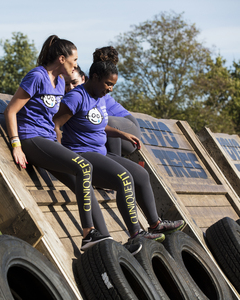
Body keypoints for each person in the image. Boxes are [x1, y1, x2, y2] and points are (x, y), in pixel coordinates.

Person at [4, 35, 124, 252]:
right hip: (31, 138)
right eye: (74, 60)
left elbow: (56, 122)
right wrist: (16, 145)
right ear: (61, 59)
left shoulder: (60, 83)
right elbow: (11, 110)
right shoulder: (37, 76)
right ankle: (88, 234)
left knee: (83, 181)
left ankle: (104, 238)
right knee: (84, 167)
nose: (76, 65)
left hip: (47, 141)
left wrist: (62, 148)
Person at [53, 59, 185, 244]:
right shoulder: (75, 97)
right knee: (124, 177)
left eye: (113, 85)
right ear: (95, 77)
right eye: (108, 83)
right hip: (81, 154)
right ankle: (135, 234)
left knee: (140, 174)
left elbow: (97, 124)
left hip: (100, 153)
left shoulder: (98, 97)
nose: (110, 89)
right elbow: (56, 124)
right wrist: (63, 155)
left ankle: (155, 223)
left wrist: (122, 134)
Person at [93, 46, 142, 157]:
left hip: (127, 127)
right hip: (109, 129)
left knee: (107, 121)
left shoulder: (99, 88)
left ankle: (116, 163)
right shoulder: (90, 84)